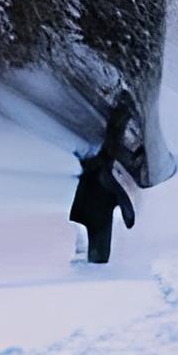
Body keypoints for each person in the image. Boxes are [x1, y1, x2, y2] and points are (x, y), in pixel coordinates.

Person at [69, 101, 140, 265]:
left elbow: (119, 196)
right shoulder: (90, 222)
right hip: (95, 180)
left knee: (109, 149)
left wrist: (129, 216)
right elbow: (120, 196)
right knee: (109, 149)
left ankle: (122, 112)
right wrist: (128, 216)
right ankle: (121, 113)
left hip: (96, 178)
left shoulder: (94, 222)